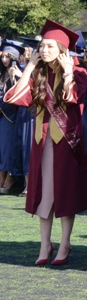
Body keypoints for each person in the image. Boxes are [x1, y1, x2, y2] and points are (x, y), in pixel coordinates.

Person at [3, 20, 87, 265]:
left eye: (50, 46)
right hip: (42, 141)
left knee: (65, 192)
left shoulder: (79, 73)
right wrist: (30, 66)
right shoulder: (39, 74)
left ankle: (64, 244)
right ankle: (45, 245)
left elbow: (73, 98)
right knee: (44, 192)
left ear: (62, 49)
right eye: (42, 46)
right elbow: (15, 97)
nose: (44, 49)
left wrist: (69, 71)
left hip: (67, 142)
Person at [0, 40, 23, 194]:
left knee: (7, 147)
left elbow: (17, 95)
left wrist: (15, 78)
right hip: (2, 114)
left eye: (7, 57)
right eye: (2, 56)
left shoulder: (19, 73)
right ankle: (2, 177)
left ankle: (9, 178)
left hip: (11, 115)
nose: (4, 59)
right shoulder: (1, 74)